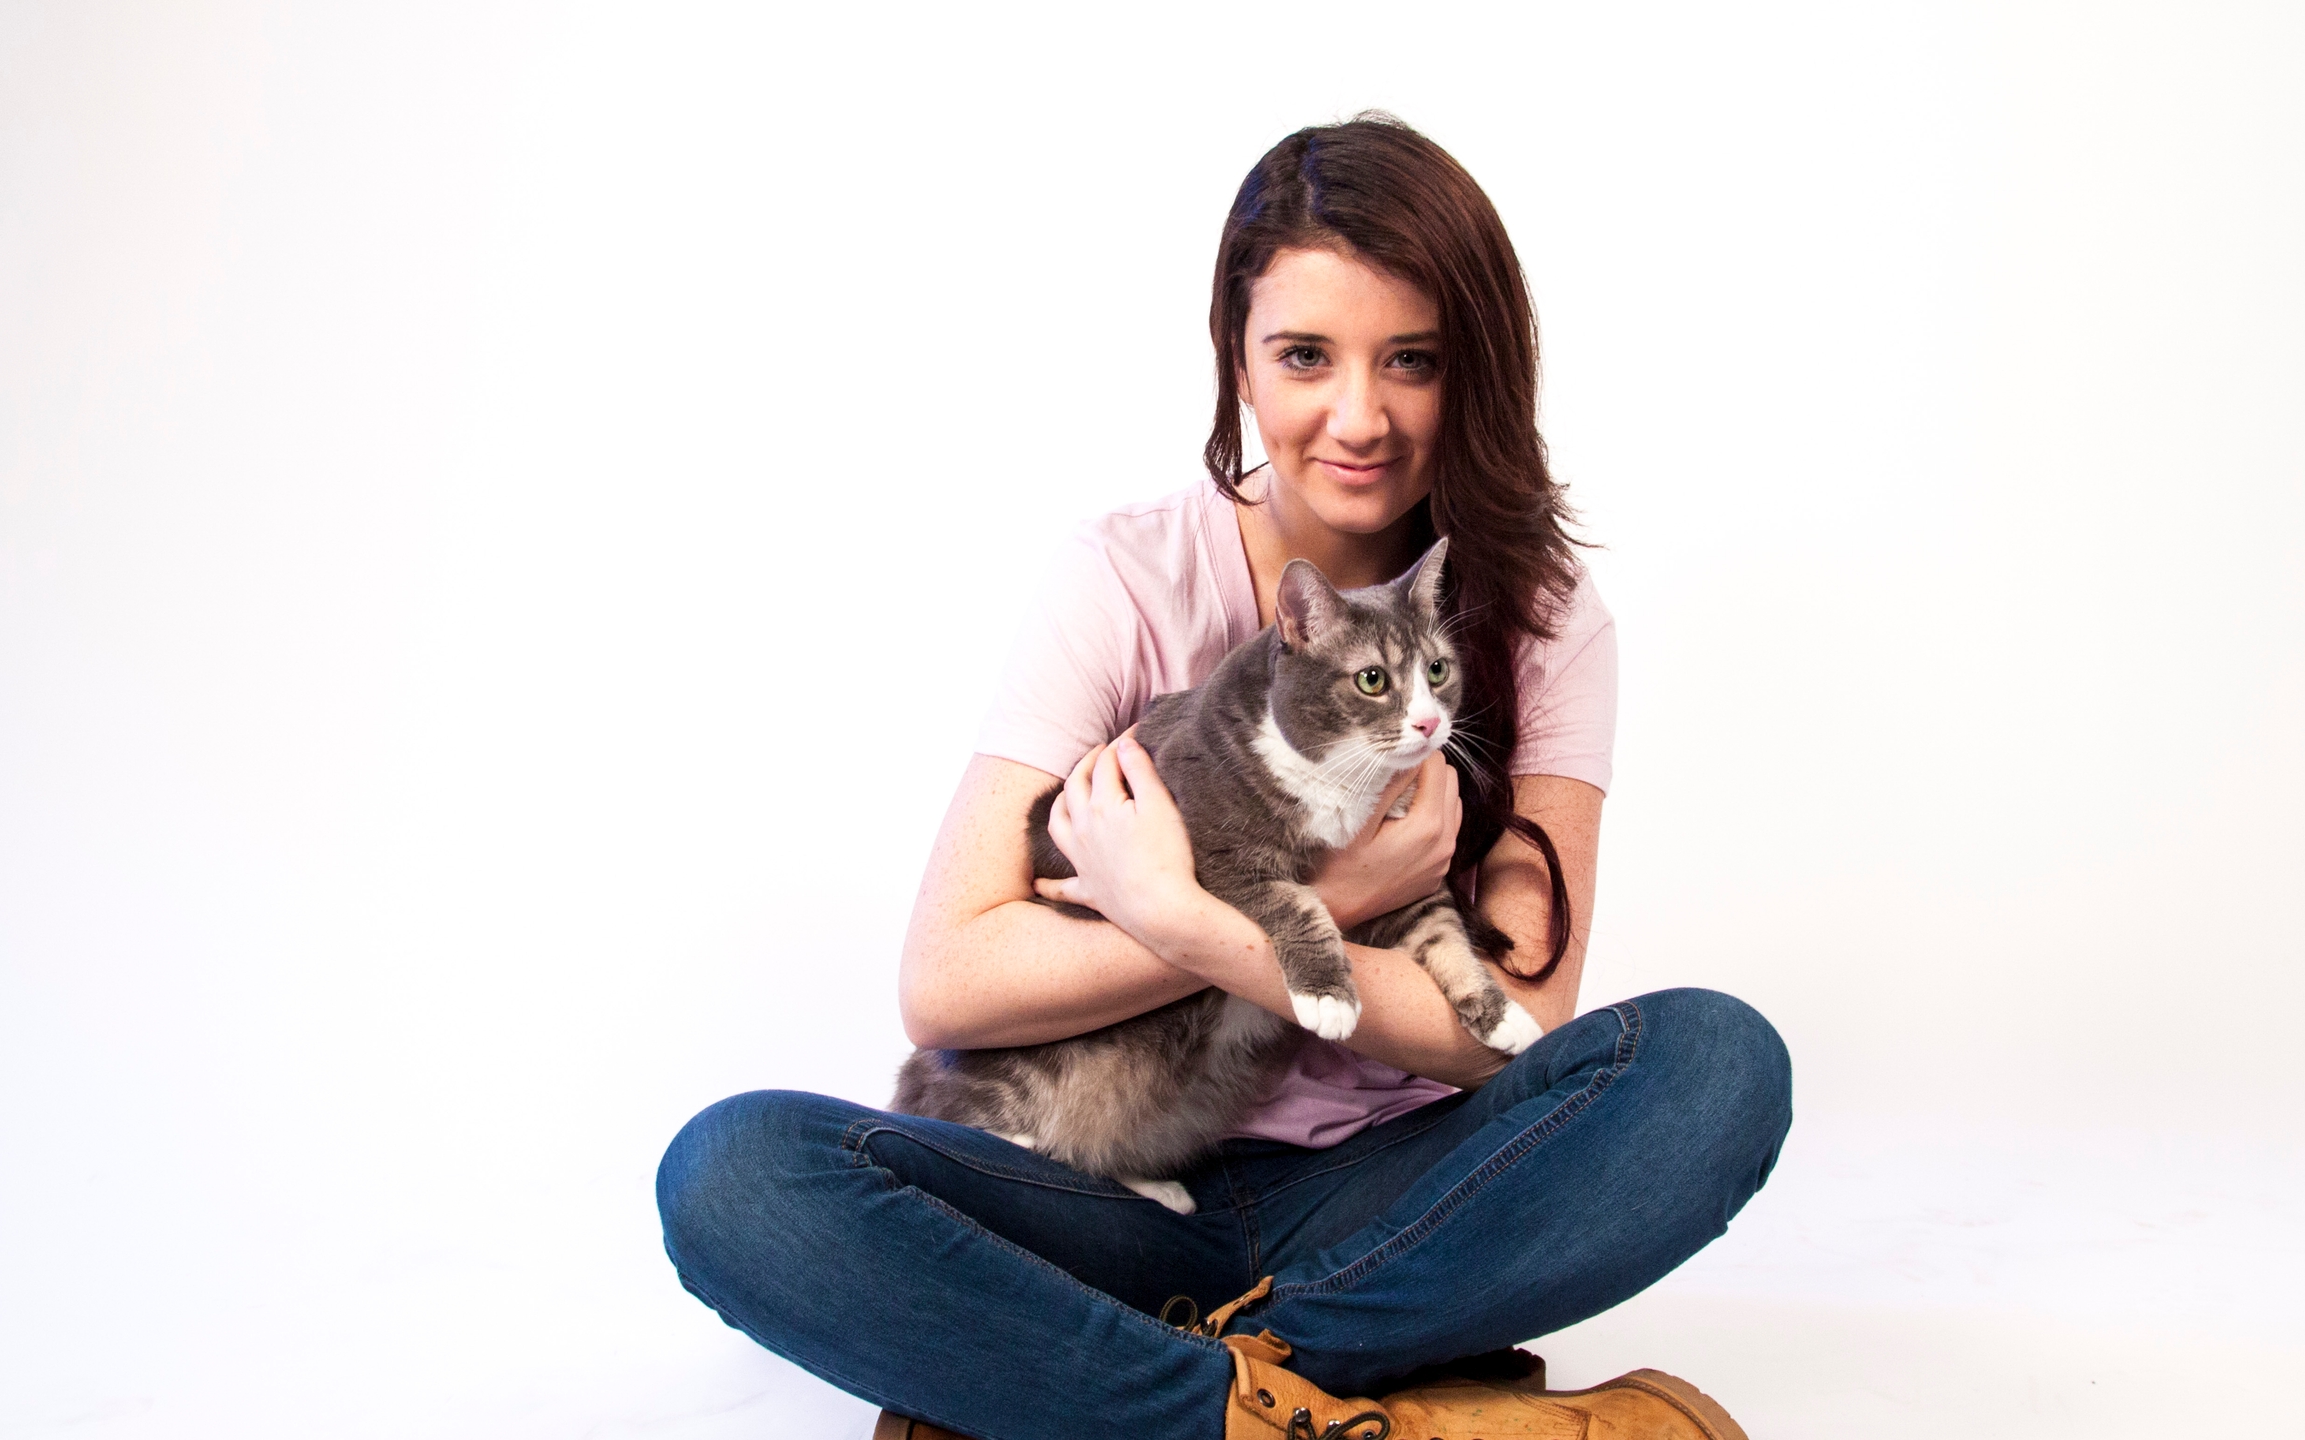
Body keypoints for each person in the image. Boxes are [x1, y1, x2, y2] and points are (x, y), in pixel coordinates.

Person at [656, 114, 1792, 1440]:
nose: (1357, 416)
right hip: (1102, 1190)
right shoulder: (1128, 576)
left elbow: (1510, 1039)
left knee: (1717, 1065)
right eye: (1306, 355)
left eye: (1411, 361)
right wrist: (1315, 897)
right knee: (734, 1178)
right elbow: (947, 981)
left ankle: (1122, 1391)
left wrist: (1191, 916)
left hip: (1391, 1199)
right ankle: (1347, 1411)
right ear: (1238, 358)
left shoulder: (1543, 622)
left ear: (1472, 370)